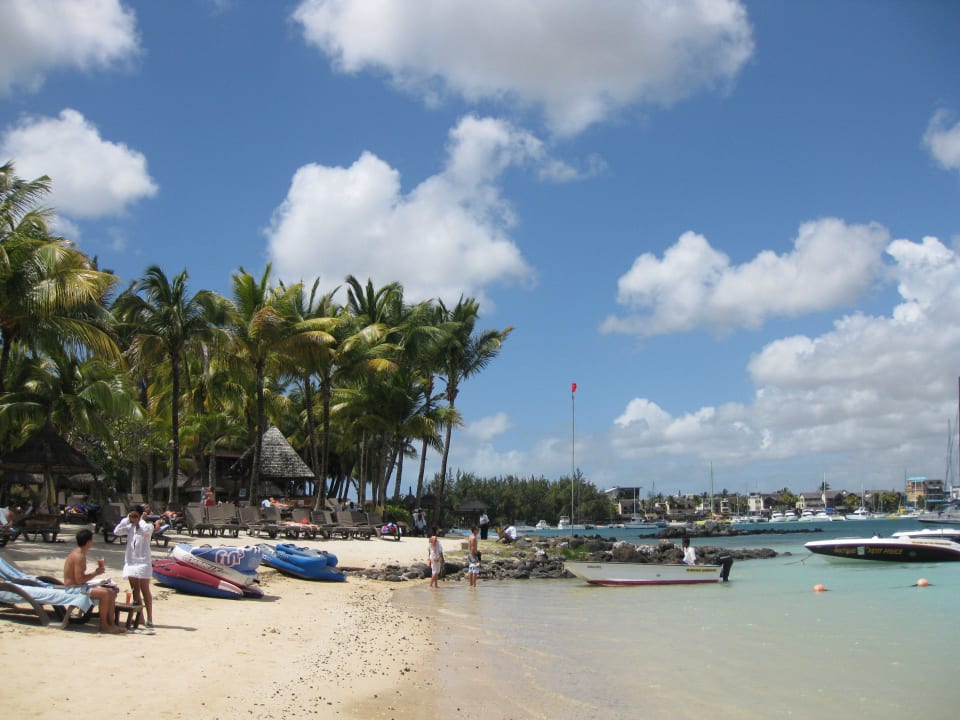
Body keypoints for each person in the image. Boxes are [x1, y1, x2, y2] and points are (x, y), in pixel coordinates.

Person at [63, 528, 123, 633]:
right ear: (88, 542)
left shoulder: (79, 553)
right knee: (105, 593)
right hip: (73, 588)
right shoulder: (79, 556)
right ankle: (104, 626)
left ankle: (111, 624)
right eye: (91, 540)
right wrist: (96, 573)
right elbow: (79, 580)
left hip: (78, 586)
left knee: (112, 592)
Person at [113, 505, 156, 630]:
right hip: (131, 562)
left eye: (135, 516)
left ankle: (149, 617)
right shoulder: (129, 527)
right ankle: (140, 617)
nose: (133, 519)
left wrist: (141, 520)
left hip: (143, 562)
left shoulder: (147, 526)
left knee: (145, 589)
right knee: (135, 590)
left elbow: (146, 531)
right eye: (131, 516)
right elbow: (116, 531)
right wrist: (127, 520)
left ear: (140, 515)